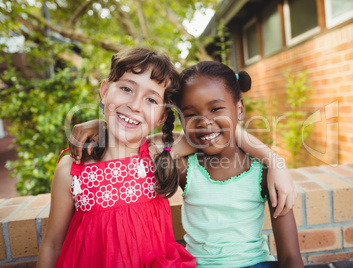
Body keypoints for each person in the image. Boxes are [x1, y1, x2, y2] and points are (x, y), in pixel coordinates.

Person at [37, 48, 197, 267]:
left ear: (162, 116)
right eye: (126, 88)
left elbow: (214, 135)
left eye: (151, 99)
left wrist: (262, 154)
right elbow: (52, 245)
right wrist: (104, 125)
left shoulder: (157, 151)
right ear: (104, 91)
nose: (134, 105)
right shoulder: (72, 169)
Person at [174, 61, 303, 267]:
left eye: (216, 108)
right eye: (190, 114)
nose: (204, 122)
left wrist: (274, 162)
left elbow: (290, 258)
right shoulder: (184, 168)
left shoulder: (264, 173)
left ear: (240, 109)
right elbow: (152, 148)